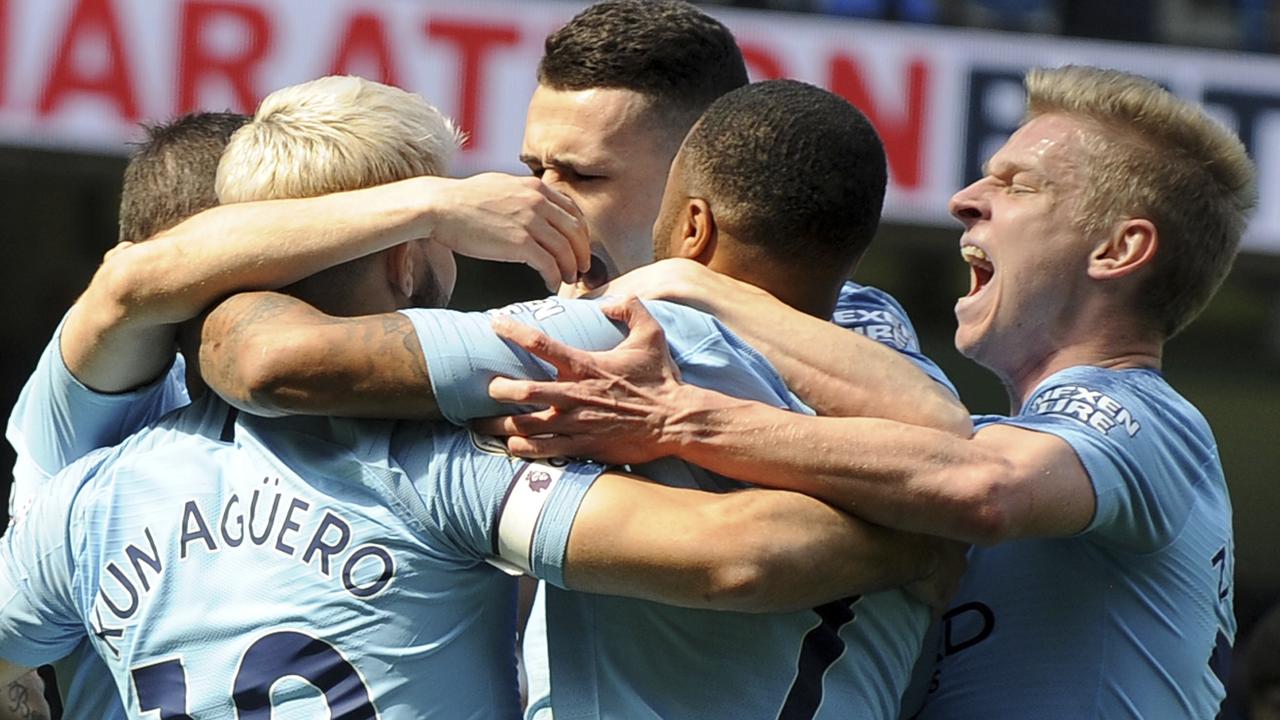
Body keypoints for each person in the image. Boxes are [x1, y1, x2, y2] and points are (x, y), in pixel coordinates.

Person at [0, 76, 951, 718]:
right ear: (414, 254)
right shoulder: (440, 462)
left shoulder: (92, 491)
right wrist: (948, 525)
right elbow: (735, 558)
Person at [477, 65, 1257, 718]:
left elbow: (982, 485)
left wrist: (679, 412)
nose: (966, 199)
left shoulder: (1147, 421)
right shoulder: (999, 444)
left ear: (1120, 249)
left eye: (1019, 184)